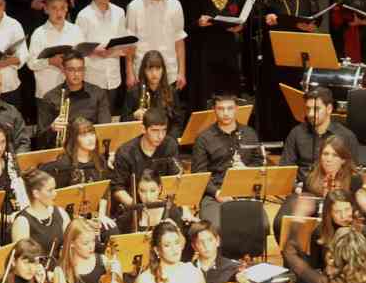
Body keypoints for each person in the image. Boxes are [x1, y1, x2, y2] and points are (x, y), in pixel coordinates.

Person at [252, 0, 319, 140]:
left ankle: (300, 138)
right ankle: (275, 138)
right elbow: (254, 19)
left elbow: (316, 14)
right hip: (275, 53)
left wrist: (312, 24)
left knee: (298, 94)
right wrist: (266, 19)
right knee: (276, 95)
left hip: (300, 51)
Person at [191, 92, 264, 229]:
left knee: (261, 226)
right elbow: (199, 174)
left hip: (244, 190)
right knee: (216, 227)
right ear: (214, 110)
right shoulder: (203, 138)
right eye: (221, 108)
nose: (225, 113)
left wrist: (246, 170)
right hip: (214, 194)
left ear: (236, 109)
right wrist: (217, 193)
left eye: (230, 108)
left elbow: (259, 163)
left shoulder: (249, 133)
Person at [190, 0, 245, 109]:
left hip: (229, 52)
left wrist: (241, 27)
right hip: (206, 53)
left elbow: (243, 20)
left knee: (229, 94)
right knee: (208, 96)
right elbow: (188, 24)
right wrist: (199, 22)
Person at [75, 0, 132, 113]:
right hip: (92, 78)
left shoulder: (119, 12)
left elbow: (125, 45)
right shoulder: (84, 16)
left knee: (108, 117)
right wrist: (95, 51)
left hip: (113, 77)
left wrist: (112, 51)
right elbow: (78, 49)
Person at [125, 0, 187, 90]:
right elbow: (129, 44)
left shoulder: (175, 5)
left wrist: (181, 72)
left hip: (169, 71)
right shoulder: (134, 6)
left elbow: (179, 41)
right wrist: (129, 72)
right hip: (142, 72)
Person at [280, 87, 358, 185]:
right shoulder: (296, 133)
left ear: (329, 109)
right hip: (301, 189)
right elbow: (285, 168)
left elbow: (352, 173)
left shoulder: (346, 136)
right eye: (308, 108)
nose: (310, 114)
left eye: (316, 109)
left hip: (333, 188)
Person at [36, 50, 111, 148]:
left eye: (80, 69)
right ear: (63, 70)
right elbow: (40, 138)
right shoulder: (50, 98)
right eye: (71, 70)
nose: (76, 74)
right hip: (64, 150)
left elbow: (105, 128)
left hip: (91, 146)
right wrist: (52, 129)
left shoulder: (98, 93)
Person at [110, 107, 181, 210]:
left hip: (162, 203)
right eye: (155, 131)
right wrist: (138, 207)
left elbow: (175, 179)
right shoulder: (126, 152)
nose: (160, 136)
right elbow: (117, 188)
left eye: (164, 130)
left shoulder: (170, 145)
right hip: (134, 205)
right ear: (143, 129)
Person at [27, 0, 83, 102]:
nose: (59, 12)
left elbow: (83, 56)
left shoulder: (76, 30)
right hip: (46, 92)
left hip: (72, 91)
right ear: (46, 9)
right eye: (54, 8)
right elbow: (31, 64)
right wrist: (50, 61)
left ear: (67, 7)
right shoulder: (39, 33)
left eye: (62, 8)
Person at [121, 50, 185, 139]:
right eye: (150, 69)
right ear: (144, 70)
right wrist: (134, 115)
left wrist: (168, 139)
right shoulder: (133, 92)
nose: (154, 73)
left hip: (165, 139)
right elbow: (122, 123)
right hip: (140, 140)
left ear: (163, 70)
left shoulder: (171, 92)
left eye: (158, 69)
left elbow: (178, 122)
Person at [10, 169, 70, 253]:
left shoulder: (61, 213)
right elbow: (22, 257)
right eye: (50, 190)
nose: (55, 193)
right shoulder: (22, 222)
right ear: (36, 194)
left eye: (54, 189)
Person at [116, 169, 187, 235]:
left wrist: (176, 230)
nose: (148, 197)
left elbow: (181, 241)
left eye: (152, 191)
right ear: (137, 190)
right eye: (142, 191)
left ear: (159, 188)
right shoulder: (132, 213)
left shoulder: (171, 210)